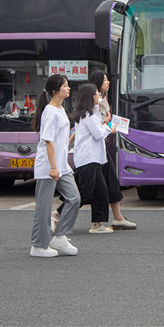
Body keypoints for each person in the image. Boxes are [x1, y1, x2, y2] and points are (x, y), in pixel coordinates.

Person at [29, 74, 80, 257]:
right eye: (65, 86)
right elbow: (48, 141)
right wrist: (53, 167)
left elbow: (59, 141)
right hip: (49, 166)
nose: (68, 88)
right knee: (43, 208)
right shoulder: (50, 111)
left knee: (74, 198)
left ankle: (59, 237)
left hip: (61, 165)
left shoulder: (60, 109)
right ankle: (38, 245)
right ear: (55, 91)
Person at [87, 70, 136, 230]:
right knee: (91, 188)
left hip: (101, 147)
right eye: (105, 80)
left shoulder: (102, 100)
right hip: (94, 150)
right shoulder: (95, 103)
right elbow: (97, 127)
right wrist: (108, 124)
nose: (108, 82)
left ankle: (116, 217)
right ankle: (58, 214)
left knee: (108, 183)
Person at [68, 83, 118, 233]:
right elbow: (99, 134)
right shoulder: (88, 115)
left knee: (101, 191)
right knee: (85, 193)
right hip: (88, 159)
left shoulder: (90, 112)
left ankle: (96, 224)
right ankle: (58, 214)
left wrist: (105, 120)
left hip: (94, 158)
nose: (99, 96)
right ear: (91, 97)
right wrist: (108, 127)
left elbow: (102, 110)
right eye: (97, 94)